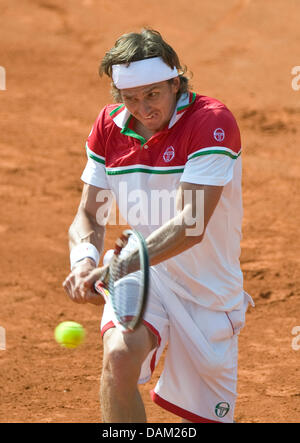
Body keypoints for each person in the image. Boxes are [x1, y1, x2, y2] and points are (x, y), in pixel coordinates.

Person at [62, 28, 254, 423]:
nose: (143, 108)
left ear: (175, 82)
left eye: (153, 94)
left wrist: (116, 267)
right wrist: (84, 259)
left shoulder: (211, 122)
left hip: (208, 290)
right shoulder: (109, 126)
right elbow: (90, 213)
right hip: (146, 274)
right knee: (118, 355)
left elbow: (192, 223)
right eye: (130, 98)